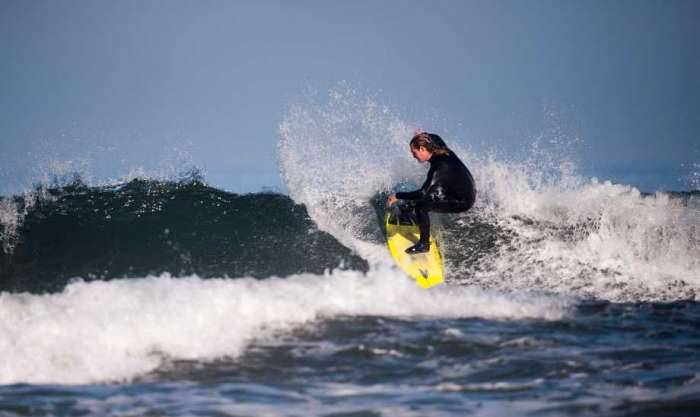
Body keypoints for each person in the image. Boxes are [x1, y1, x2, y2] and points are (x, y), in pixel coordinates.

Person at [387, 132, 476, 254]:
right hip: (461, 189)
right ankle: (409, 213)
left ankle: (424, 245)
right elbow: (437, 137)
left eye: (414, 153)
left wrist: (397, 195)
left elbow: (422, 193)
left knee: (421, 206)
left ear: (423, 149)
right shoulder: (440, 148)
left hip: (462, 201)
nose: (413, 156)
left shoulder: (439, 168)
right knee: (429, 195)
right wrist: (422, 134)